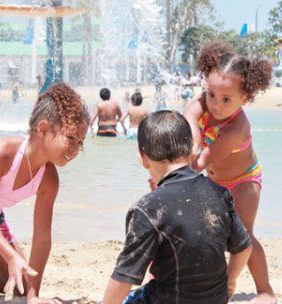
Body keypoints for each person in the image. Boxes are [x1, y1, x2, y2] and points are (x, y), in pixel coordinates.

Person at [101, 111, 252, 304]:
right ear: (192, 150)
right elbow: (244, 248)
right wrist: (229, 284)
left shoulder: (147, 209)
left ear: (142, 157)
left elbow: (124, 277)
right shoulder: (218, 193)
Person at [0, 83, 88, 303]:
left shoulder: (49, 179)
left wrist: (33, 296)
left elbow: (42, 238)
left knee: (22, 284)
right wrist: (12, 255)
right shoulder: (1, 152)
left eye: (80, 142)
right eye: (70, 138)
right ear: (42, 129)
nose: (75, 149)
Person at [184, 42, 276, 304]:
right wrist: (193, 132)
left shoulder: (237, 128)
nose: (216, 104)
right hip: (215, 179)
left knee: (244, 235)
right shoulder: (205, 101)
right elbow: (189, 115)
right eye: (211, 94)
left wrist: (168, 176)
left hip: (244, 180)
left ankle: (264, 290)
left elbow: (200, 162)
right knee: (208, 232)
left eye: (226, 99)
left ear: (244, 98)